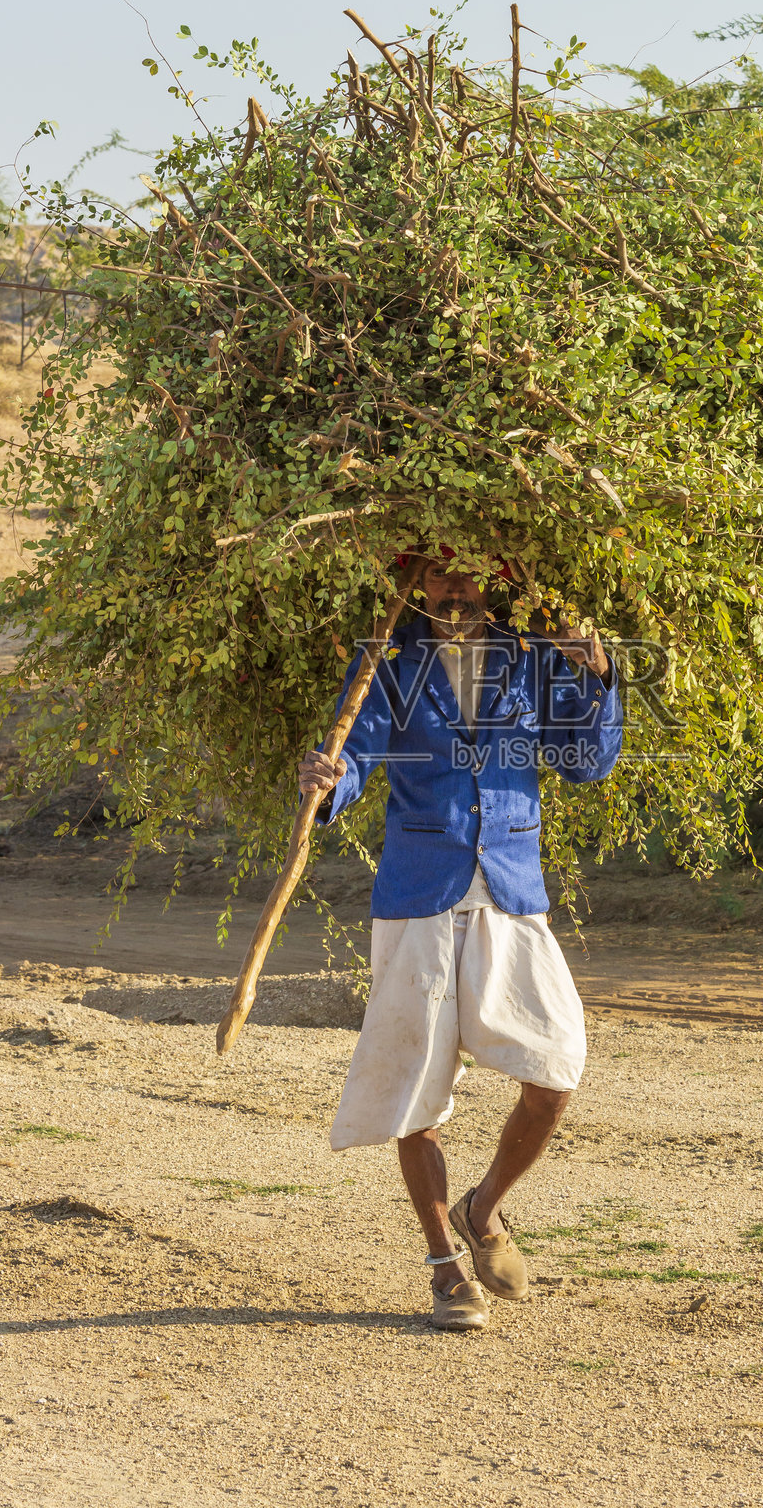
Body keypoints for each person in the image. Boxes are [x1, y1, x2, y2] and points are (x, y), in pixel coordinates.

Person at [300, 553, 622, 1331]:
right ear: (414, 582)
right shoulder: (386, 653)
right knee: (415, 1086)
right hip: (417, 891)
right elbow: (359, 749)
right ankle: (445, 1264)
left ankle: (484, 1208)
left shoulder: (537, 652)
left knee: (554, 1074)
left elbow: (586, 763)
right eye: (437, 576)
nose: (451, 589)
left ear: (494, 581)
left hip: (511, 887)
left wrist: (599, 677)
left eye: (466, 575)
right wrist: (324, 786)